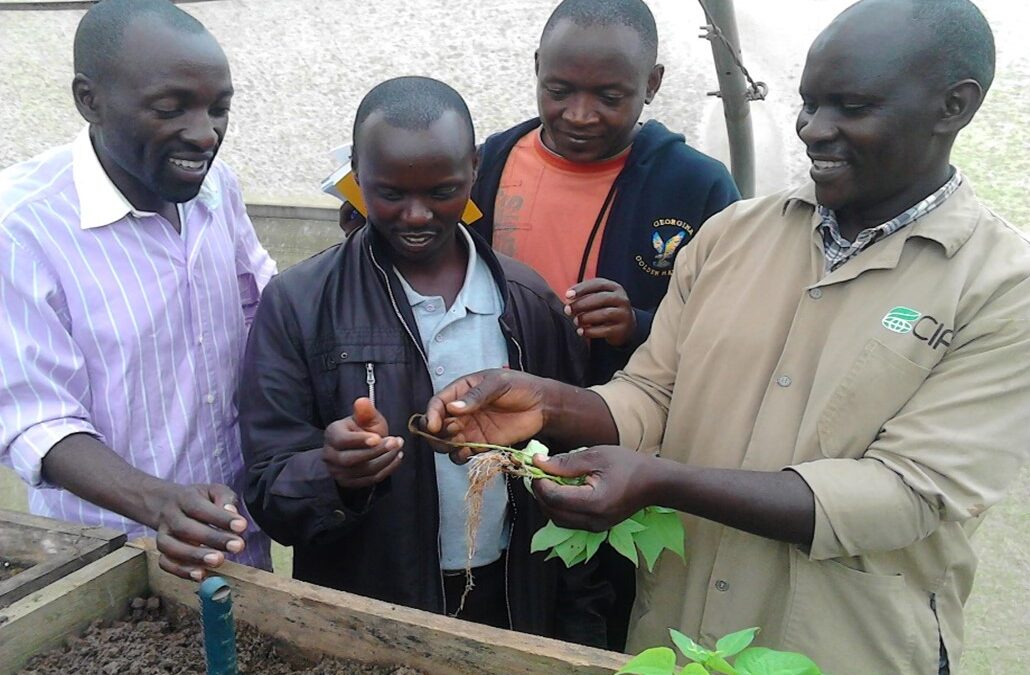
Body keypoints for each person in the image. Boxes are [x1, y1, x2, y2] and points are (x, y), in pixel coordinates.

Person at [424, 0, 1030, 672]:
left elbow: (907, 493)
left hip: (845, 646)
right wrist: (549, 403)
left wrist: (660, 482)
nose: (812, 130)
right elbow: (652, 393)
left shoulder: (1002, 287)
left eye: (849, 108)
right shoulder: (734, 236)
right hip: (674, 639)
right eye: (808, 103)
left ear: (955, 106)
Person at [239, 77, 608, 646]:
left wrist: (580, 628)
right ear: (356, 177)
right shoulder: (299, 304)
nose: (416, 215)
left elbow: (577, 465)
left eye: (442, 191)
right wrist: (332, 474)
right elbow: (268, 491)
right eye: (388, 193)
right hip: (368, 617)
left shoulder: (529, 302)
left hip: (514, 601)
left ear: (474, 169)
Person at [0, 0, 276, 581]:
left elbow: (262, 311)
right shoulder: (22, 227)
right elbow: (36, 420)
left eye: (219, 109)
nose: (204, 135)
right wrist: (159, 504)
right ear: (89, 100)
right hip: (108, 563)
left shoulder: (216, 189)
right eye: (170, 109)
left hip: (237, 544)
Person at [470, 0, 739, 386]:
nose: (580, 115)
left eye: (609, 98)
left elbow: (731, 326)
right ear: (537, 68)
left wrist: (637, 325)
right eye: (559, 91)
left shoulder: (698, 187)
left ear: (652, 84)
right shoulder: (490, 163)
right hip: (497, 406)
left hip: (621, 421)